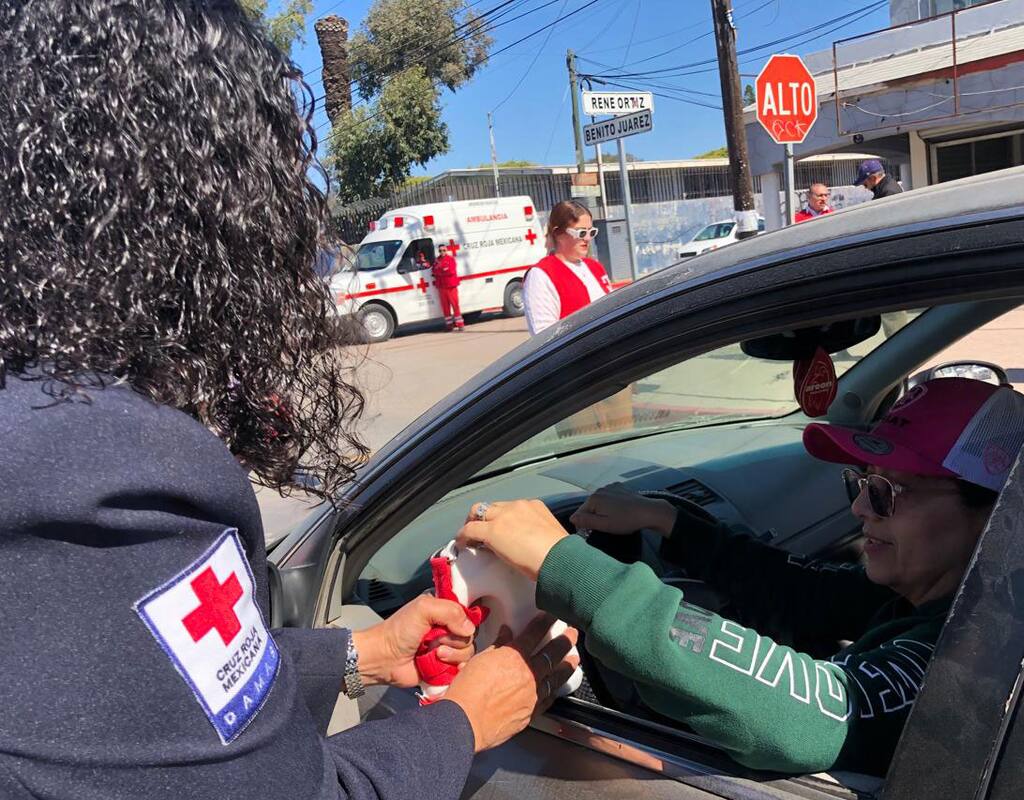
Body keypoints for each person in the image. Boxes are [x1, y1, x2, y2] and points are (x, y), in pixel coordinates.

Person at [0, 2, 577, 799]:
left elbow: (131, 693)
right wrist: (465, 720)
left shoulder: (32, 429)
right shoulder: (106, 478)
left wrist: (360, 655)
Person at [456, 378, 1024, 776]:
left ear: (999, 514)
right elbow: (803, 592)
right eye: (861, 482)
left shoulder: (965, 653)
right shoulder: (931, 593)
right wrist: (668, 520)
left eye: (887, 492)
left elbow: (823, 712)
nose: (861, 509)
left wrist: (567, 565)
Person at [522, 200, 612, 336]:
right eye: (581, 233)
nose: (588, 238)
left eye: (591, 232)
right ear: (558, 234)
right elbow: (543, 335)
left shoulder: (595, 267)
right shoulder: (541, 275)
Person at [433, 243, 465, 332]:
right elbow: (434, 270)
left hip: (451, 286)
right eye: (440, 251)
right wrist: (442, 270)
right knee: (445, 307)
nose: (442, 252)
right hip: (441, 287)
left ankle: (460, 324)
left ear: (446, 250)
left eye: (444, 250)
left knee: (455, 305)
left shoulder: (450, 259)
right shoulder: (437, 260)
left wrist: (440, 272)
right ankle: (449, 325)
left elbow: (451, 271)